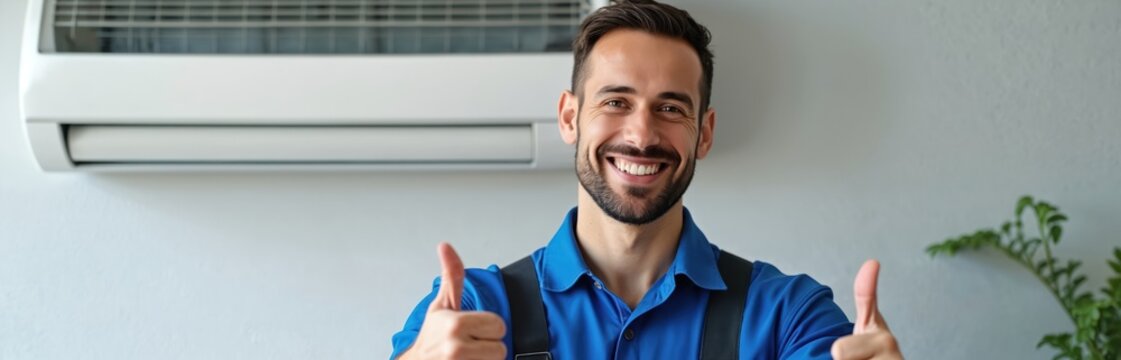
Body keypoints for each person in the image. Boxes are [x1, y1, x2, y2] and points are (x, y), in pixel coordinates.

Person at [391, 1, 902, 359]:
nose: (641, 134)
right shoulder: (470, 312)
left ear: (703, 133)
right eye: (616, 102)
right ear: (569, 118)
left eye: (671, 108)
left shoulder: (788, 317)